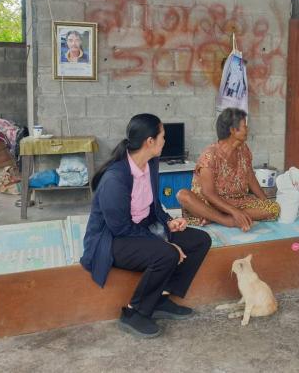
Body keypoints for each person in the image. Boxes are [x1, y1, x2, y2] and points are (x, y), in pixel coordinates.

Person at [80, 113, 212, 338]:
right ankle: (134, 312)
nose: (164, 141)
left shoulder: (151, 163)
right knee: (167, 254)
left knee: (200, 240)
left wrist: (169, 222)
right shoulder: (115, 178)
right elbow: (120, 228)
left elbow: (154, 204)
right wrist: (164, 242)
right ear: (150, 141)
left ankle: (160, 298)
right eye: (162, 136)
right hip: (113, 240)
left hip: (142, 229)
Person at [177, 108, 279, 231]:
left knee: (274, 208)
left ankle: (213, 217)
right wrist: (235, 212)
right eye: (244, 126)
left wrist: (265, 202)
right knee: (183, 195)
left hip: (236, 201)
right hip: (210, 203)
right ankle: (226, 220)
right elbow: (208, 194)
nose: (247, 129)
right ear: (233, 130)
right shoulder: (210, 156)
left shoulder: (243, 149)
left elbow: (250, 177)